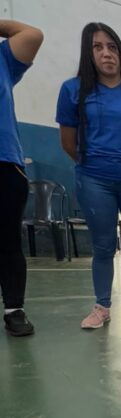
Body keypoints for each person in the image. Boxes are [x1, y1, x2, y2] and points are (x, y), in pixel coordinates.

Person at [57, 23, 121, 329]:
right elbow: (68, 142)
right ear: (88, 54)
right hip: (94, 181)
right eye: (98, 47)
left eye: (112, 47)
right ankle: (102, 306)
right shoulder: (73, 90)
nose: (107, 54)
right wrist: (96, 167)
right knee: (103, 246)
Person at [0, 18, 44, 337]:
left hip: (5, 163)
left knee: (8, 242)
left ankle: (14, 309)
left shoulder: (3, 59)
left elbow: (32, 35)